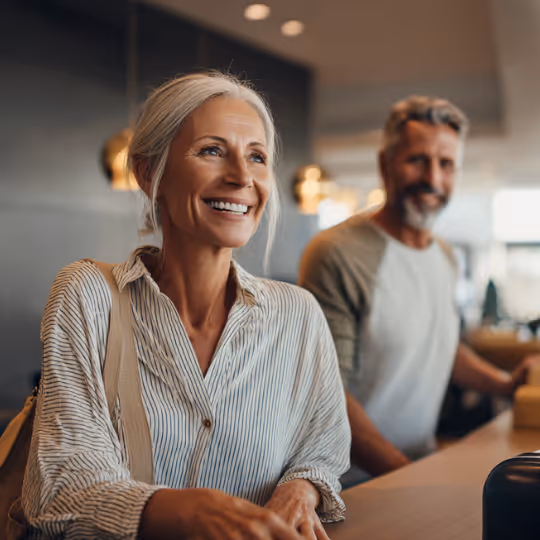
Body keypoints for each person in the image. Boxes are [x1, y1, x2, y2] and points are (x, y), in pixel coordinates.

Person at [23, 72, 350, 539]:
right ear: (148, 172)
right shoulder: (88, 295)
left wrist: (303, 487)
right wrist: (180, 511)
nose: (241, 177)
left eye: (256, 157)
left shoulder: (298, 314)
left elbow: (324, 446)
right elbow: (61, 488)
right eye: (212, 151)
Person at [298, 96, 534, 485]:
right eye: (417, 160)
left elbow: (438, 345)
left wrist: (504, 384)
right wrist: (408, 479)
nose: (433, 179)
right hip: (348, 482)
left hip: (418, 465)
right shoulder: (337, 253)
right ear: (384, 164)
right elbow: (327, 395)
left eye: (446, 165)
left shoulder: (444, 256)